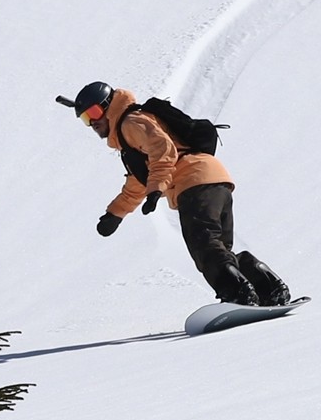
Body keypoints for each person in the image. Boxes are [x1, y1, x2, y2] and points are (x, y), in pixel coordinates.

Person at [69, 80, 291, 307]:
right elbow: (138, 181)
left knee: (204, 246)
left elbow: (163, 151)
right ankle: (269, 288)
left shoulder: (131, 123)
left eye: (94, 112)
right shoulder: (129, 136)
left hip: (194, 182)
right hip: (215, 179)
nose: (93, 122)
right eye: (86, 118)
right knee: (218, 250)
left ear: (108, 106)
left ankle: (238, 295)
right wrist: (115, 214)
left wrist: (157, 188)